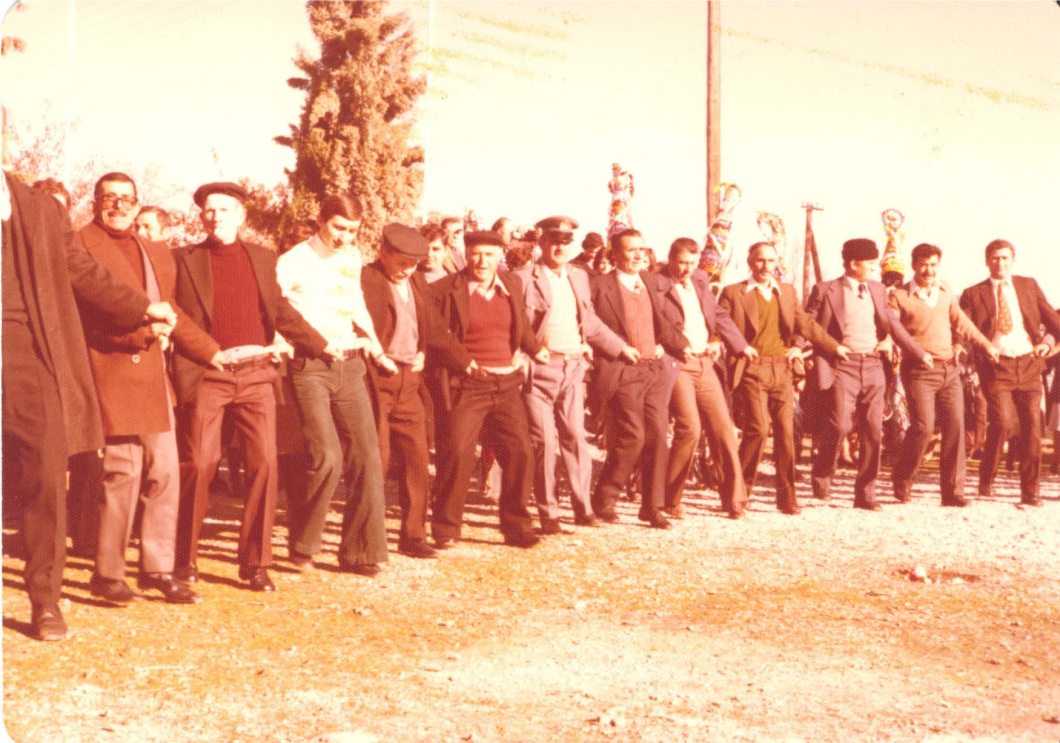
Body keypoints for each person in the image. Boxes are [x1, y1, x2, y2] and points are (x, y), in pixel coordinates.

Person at [3, 151, 176, 639]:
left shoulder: (40, 209)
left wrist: (144, 309)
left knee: (43, 472)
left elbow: (83, 271)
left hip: (26, 351)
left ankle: (45, 601)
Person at [172, 181, 333, 592]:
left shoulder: (262, 257)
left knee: (264, 464)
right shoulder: (184, 260)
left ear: (241, 216)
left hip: (258, 373)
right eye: (209, 210)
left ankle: (256, 564)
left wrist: (321, 343)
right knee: (201, 463)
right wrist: (208, 351)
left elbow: (278, 309)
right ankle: (184, 560)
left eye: (224, 209)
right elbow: (176, 314)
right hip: (210, 373)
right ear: (201, 216)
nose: (215, 216)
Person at [77, 173, 224, 605]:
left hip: (155, 376)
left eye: (126, 199)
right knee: (124, 472)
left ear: (138, 204)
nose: (118, 206)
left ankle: (157, 569)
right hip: (113, 370)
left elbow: (171, 309)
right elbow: (86, 315)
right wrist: (143, 334)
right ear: (95, 203)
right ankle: (107, 574)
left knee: (166, 471)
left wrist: (211, 351)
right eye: (109, 199)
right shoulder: (81, 245)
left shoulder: (155, 250)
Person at [277, 193, 392, 576]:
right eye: (338, 228)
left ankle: (361, 552)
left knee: (367, 456)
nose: (345, 238)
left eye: (353, 232)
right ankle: (302, 546)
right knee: (327, 456)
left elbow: (356, 303)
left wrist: (375, 348)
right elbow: (277, 311)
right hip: (310, 367)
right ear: (321, 220)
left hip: (351, 366)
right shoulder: (292, 261)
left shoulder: (350, 258)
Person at [427, 230, 549, 549]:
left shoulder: (511, 284)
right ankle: (446, 528)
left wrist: (534, 348)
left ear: (500, 257)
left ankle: (517, 526)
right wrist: (461, 359)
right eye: (476, 254)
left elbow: (519, 322)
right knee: (456, 452)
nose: (482, 261)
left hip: (507, 383)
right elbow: (435, 332)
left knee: (521, 452)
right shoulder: (444, 289)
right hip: (468, 383)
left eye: (490, 254)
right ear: (466, 255)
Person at [513, 216, 633, 532]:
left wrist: (620, 347)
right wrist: (528, 350)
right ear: (541, 243)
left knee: (576, 438)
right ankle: (548, 513)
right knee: (543, 441)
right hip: (539, 369)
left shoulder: (578, 277)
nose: (560, 247)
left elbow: (590, 322)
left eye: (566, 242)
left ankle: (583, 508)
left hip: (573, 366)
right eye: (554, 241)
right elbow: (516, 323)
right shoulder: (523, 278)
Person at [719, 242, 844, 515]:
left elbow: (806, 325)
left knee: (787, 434)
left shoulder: (786, 292)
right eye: (760, 260)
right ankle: (737, 494)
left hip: (782, 371)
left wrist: (835, 347)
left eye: (770, 260)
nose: (765, 266)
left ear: (777, 262)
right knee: (758, 429)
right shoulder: (733, 293)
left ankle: (787, 497)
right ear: (750, 262)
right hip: (751, 368)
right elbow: (720, 324)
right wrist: (738, 346)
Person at [804, 238, 928, 510]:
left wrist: (916, 351)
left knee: (873, 430)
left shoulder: (878, 289)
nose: (874, 268)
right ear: (853, 264)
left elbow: (892, 324)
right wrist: (796, 348)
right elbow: (808, 325)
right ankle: (823, 472)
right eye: (870, 263)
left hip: (873, 365)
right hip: (841, 365)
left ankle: (865, 493)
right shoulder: (825, 290)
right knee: (839, 426)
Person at [888, 243, 1000, 507]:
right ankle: (902, 480)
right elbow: (895, 330)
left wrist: (986, 345)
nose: (929, 270)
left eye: (934, 265)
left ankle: (952, 492)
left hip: (949, 370)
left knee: (955, 428)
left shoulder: (946, 291)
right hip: (919, 372)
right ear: (914, 265)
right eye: (924, 265)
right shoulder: (899, 296)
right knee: (923, 428)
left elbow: (962, 322)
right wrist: (917, 352)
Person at [589, 229, 685, 527]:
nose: (638, 255)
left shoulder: (651, 282)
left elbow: (662, 320)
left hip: (653, 370)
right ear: (615, 254)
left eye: (642, 250)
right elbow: (590, 325)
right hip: (623, 370)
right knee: (633, 435)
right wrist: (620, 349)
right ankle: (605, 497)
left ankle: (652, 507)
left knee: (658, 436)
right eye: (631, 250)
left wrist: (666, 343)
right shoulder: (599, 286)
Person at [657, 238, 757, 519]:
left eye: (691, 263)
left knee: (724, 429)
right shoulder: (657, 284)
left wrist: (739, 344)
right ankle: (670, 499)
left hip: (704, 363)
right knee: (690, 428)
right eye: (681, 263)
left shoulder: (700, 279)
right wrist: (678, 344)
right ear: (670, 258)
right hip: (678, 363)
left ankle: (735, 500)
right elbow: (659, 323)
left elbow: (718, 315)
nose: (686, 269)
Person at [959, 239, 1060, 506]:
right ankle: (987, 477)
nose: (1000, 263)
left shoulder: (1028, 285)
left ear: (1013, 260)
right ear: (986, 261)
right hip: (996, 367)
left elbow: (1054, 321)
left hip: (1028, 364)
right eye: (994, 258)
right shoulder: (972, 293)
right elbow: (963, 328)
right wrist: (974, 347)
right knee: (1003, 423)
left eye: (1005, 258)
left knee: (1032, 427)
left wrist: (1048, 343)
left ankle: (1030, 491)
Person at [361, 224, 439, 558]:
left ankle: (414, 535)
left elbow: (428, 324)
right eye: (402, 262)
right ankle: (368, 537)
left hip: (411, 381)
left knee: (417, 460)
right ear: (384, 253)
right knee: (376, 459)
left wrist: (424, 351)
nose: (408, 269)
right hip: (378, 378)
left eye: (414, 263)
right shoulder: (366, 280)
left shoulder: (416, 281)